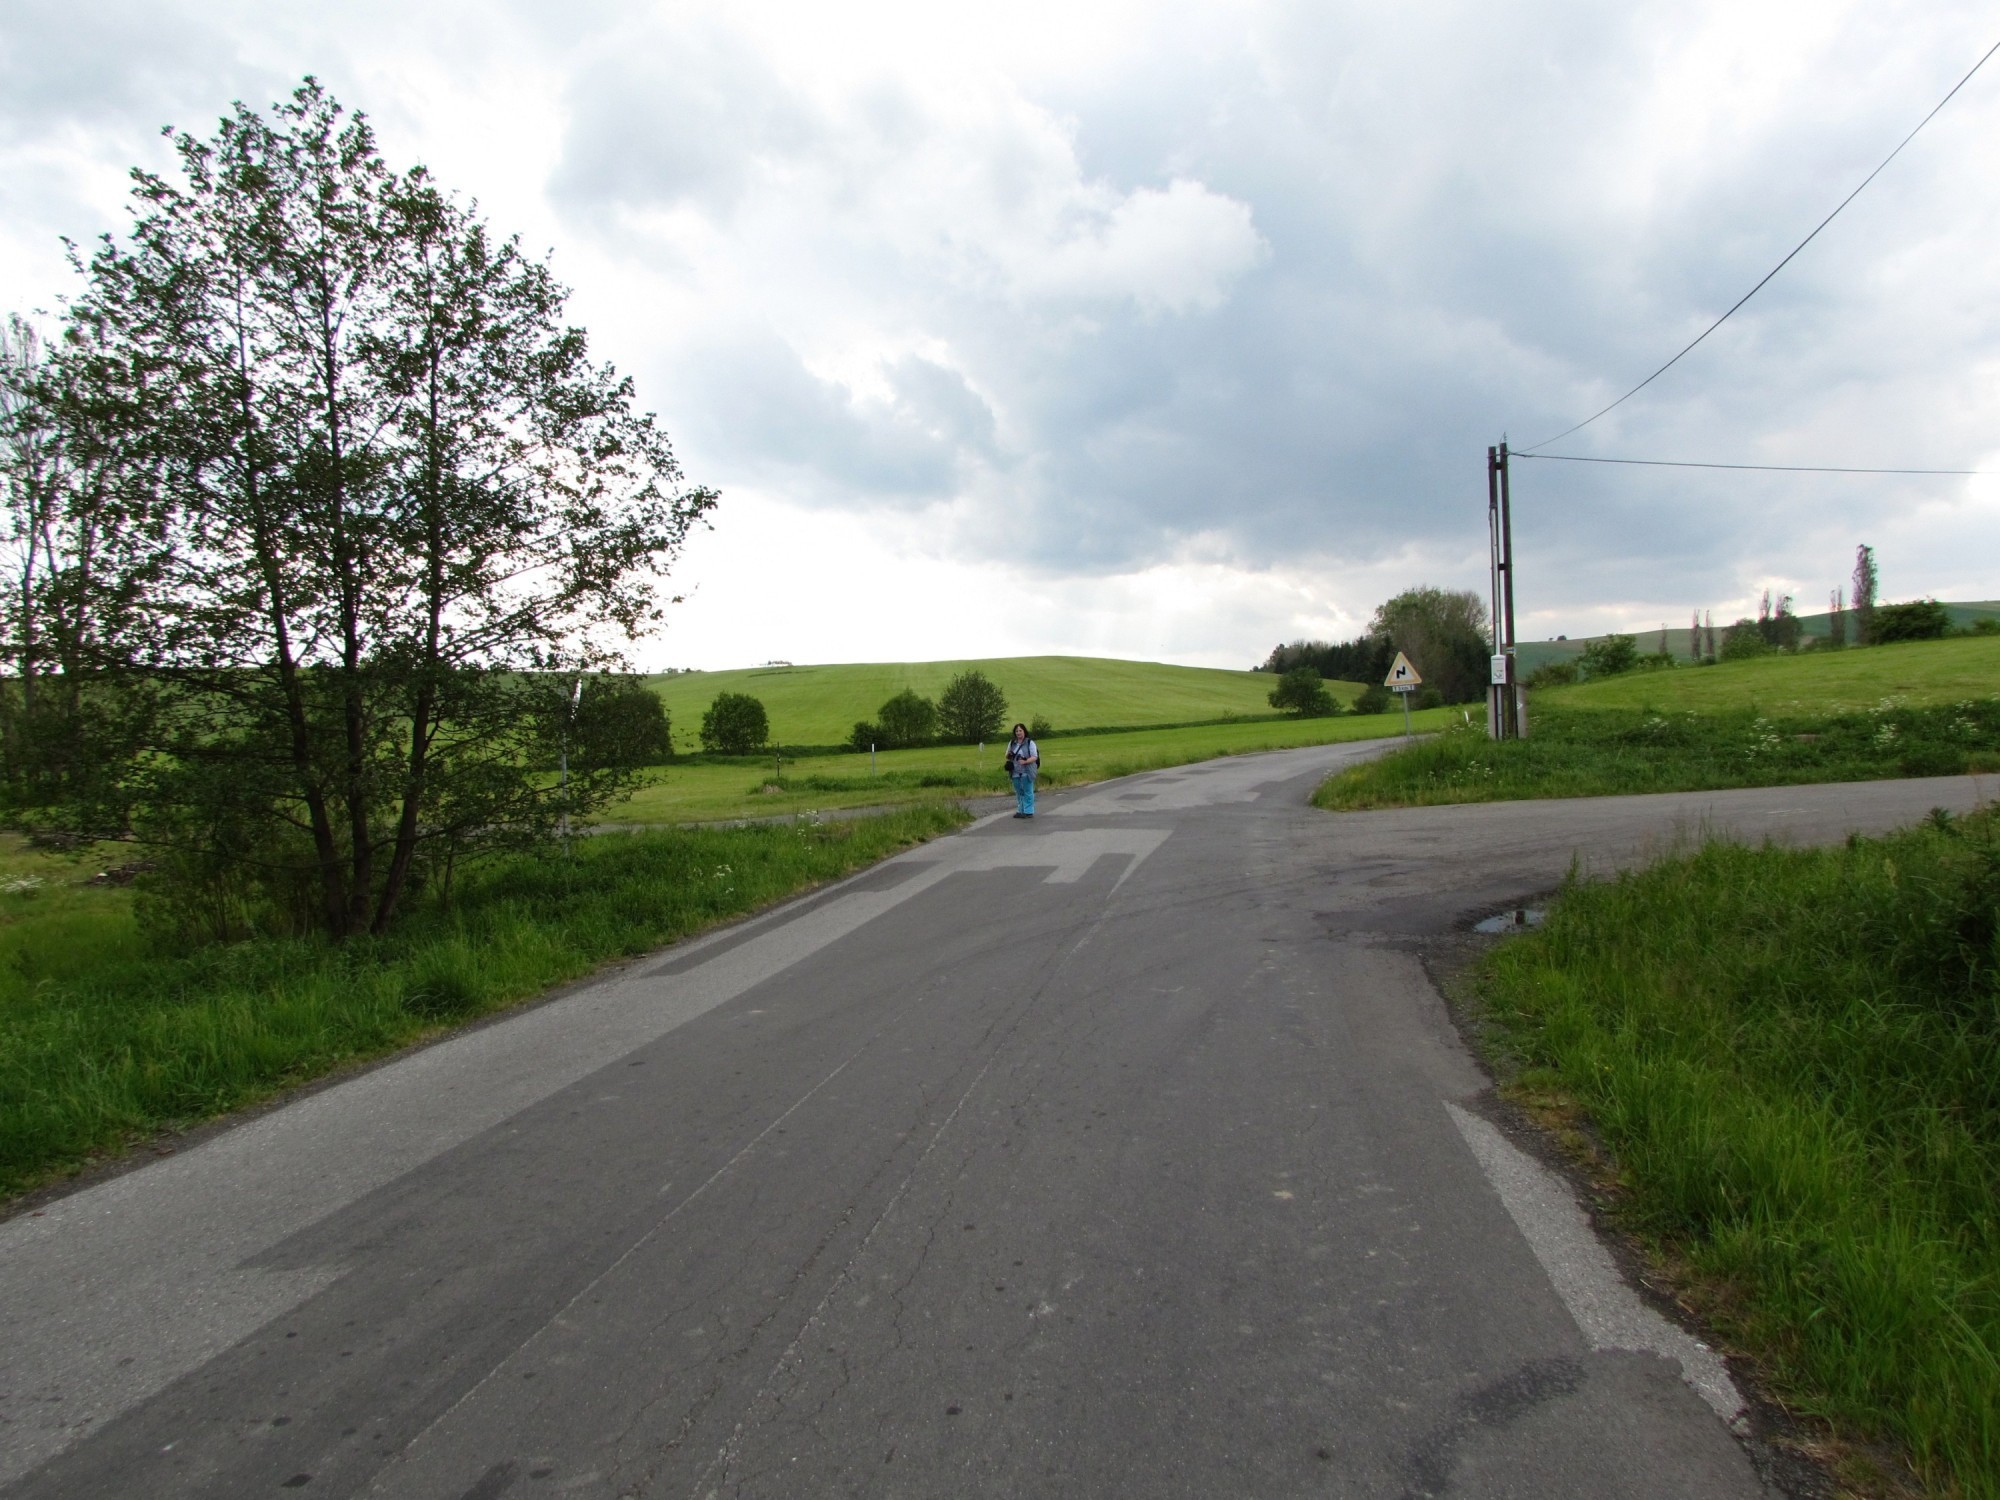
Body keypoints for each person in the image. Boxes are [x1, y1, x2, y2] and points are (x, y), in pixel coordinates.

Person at [1003, 721, 1039, 818]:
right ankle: (1020, 810)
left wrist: (1025, 761)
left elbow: (1034, 756)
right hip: (1015, 771)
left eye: (1020, 730)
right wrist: (1009, 754)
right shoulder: (1012, 743)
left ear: (1024, 731)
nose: (1018, 733)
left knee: (1028, 791)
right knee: (1019, 792)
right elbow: (1006, 756)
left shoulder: (1030, 743)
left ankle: (1028, 811)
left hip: (1027, 771)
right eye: (1017, 731)